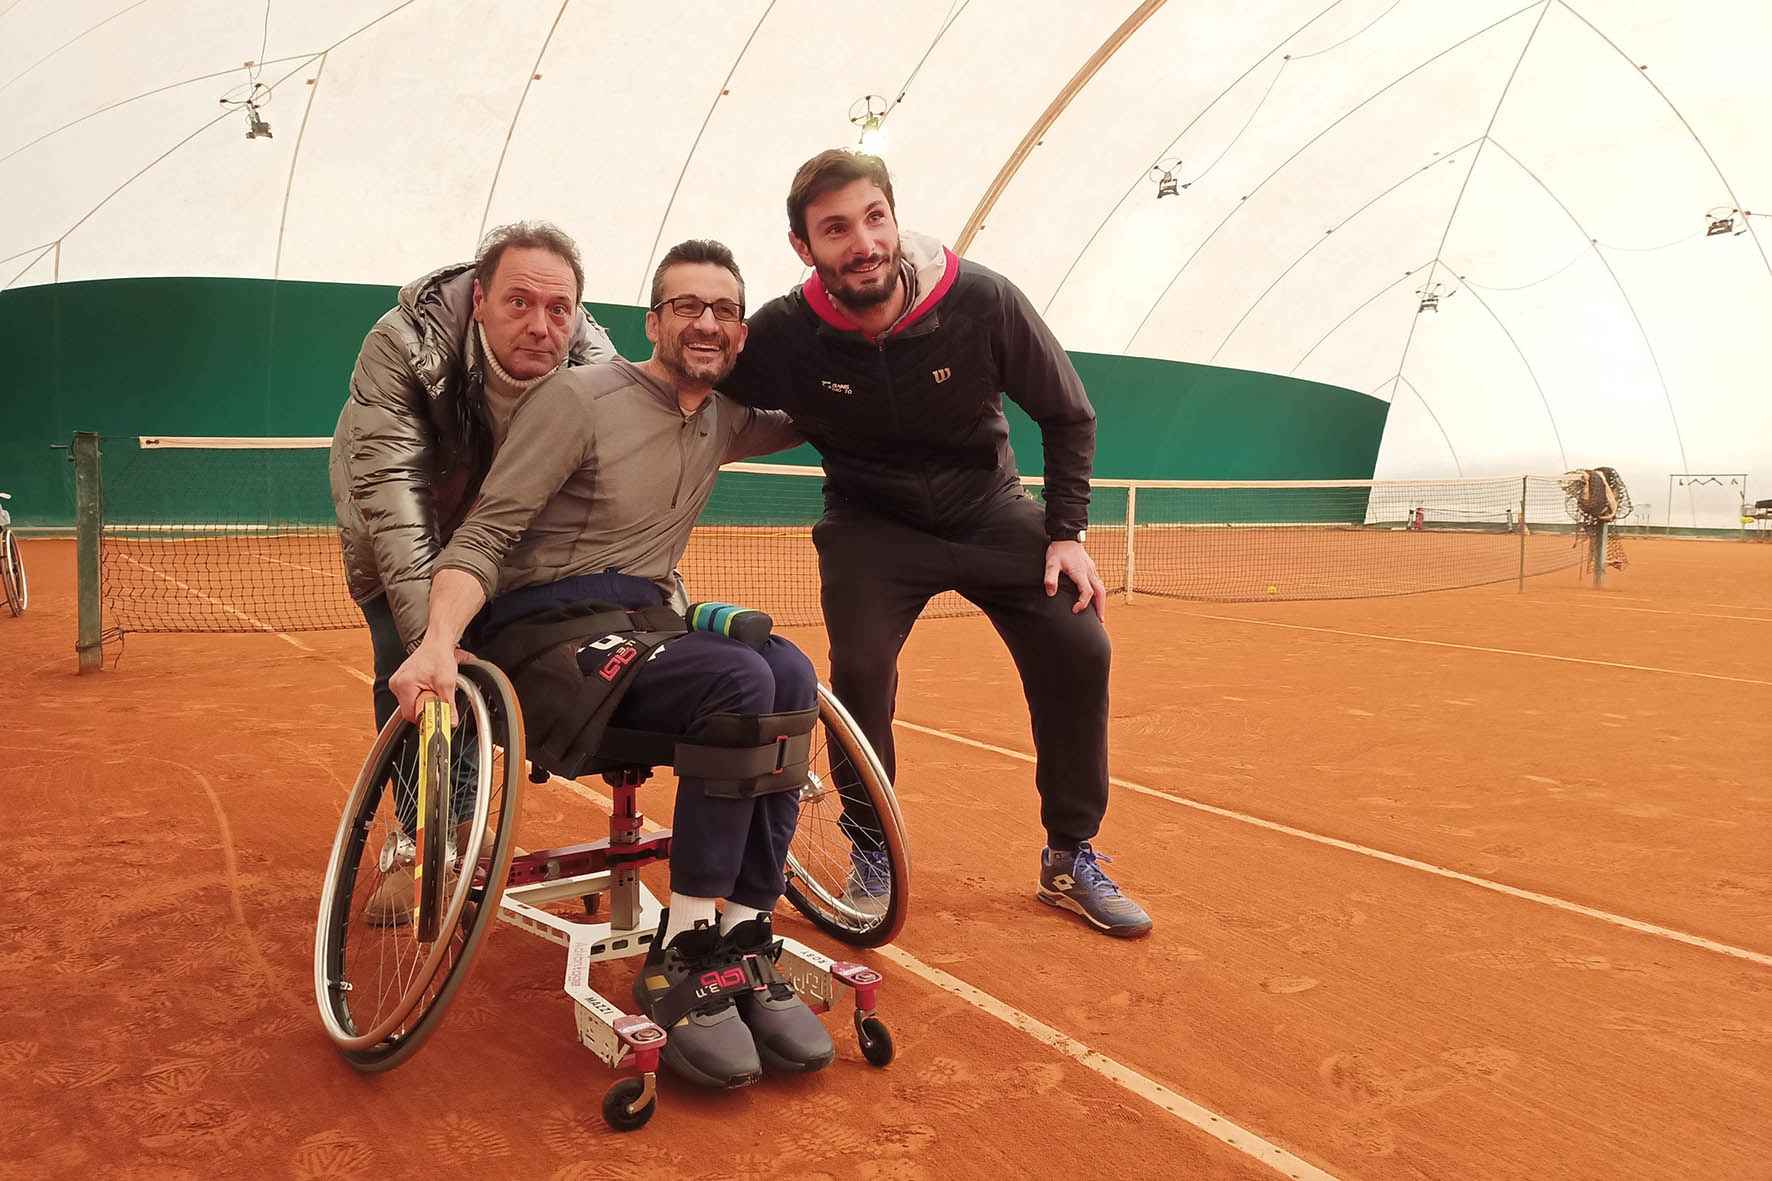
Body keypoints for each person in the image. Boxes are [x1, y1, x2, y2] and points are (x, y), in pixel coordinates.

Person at [388, 239, 832, 1089]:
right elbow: (486, 531)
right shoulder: (577, 397)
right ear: (652, 321)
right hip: (544, 636)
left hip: (645, 626)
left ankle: (744, 931)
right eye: (686, 306)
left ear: (742, 333)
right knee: (740, 678)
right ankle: (683, 952)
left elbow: (829, 406)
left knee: (789, 669)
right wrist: (438, 638)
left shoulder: (724, 417)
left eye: (724, 311)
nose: (706, 323)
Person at [720, 149, 1152, 939]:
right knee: (859, 673)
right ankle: (871, 849)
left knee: (1080, 643)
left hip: (991, 508)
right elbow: (700, 391)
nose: (863, 243)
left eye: (874, 218)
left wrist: (1066, 534)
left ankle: (1069, 854)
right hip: (870, 525)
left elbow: (1068, 413)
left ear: (895, 217)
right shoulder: (785, 332)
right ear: (803, 247)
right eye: (836, 229)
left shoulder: (980, 298)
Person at [330, 221, 617, 913]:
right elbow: (394, 492)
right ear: (481, 300)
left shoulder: (598, 366)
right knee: (416, 666)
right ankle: (417, 839)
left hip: (508, 526)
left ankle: (462, 816)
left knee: (506, 659)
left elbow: (618, 487)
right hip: (398, 518)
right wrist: (433, 634)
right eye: (519, 302)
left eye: (559, 308)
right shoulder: (402, 344)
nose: (541, 325)